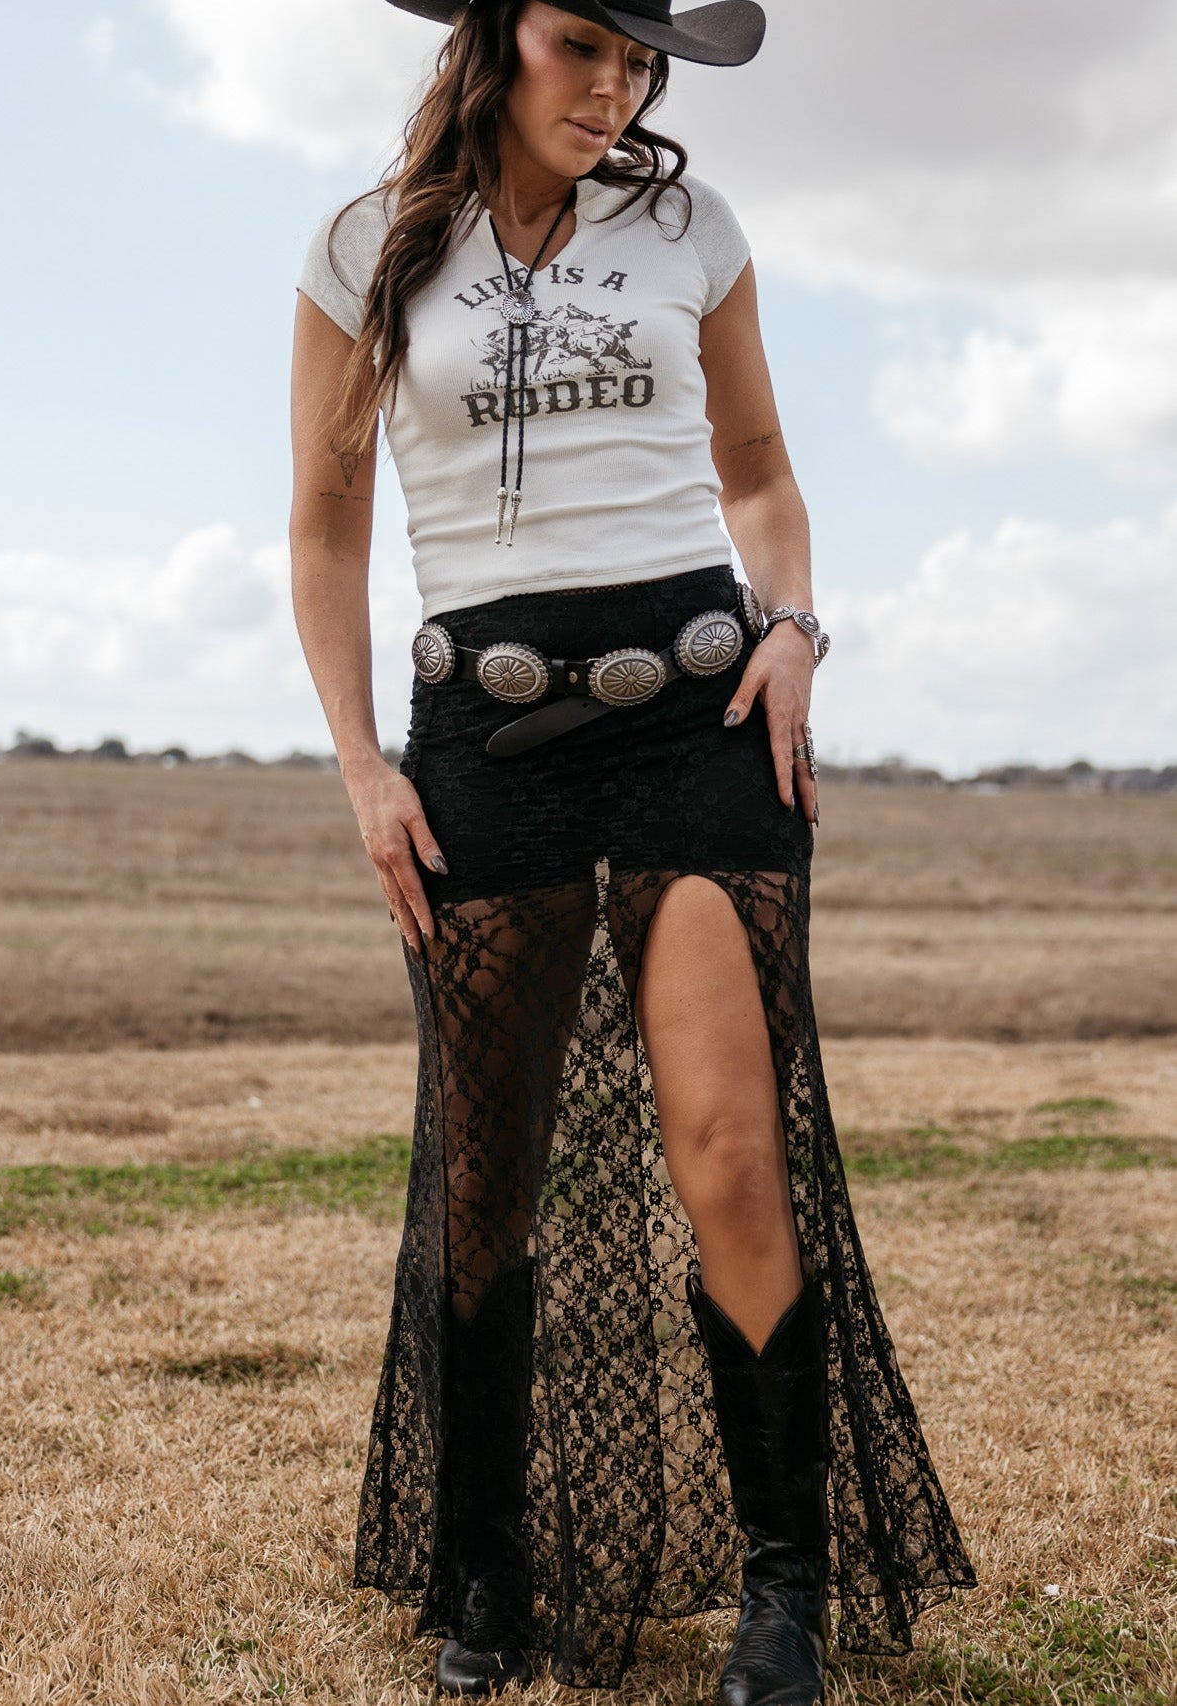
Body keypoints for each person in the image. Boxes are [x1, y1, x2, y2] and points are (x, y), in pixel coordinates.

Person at [290, 1, 977, 1698]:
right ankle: (487, 1576)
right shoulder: (363, 246)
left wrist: (796, 622)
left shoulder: (688, 226)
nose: (616, 87)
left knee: (733, 1154)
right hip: (482, 749)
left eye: (642, 62)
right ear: (495, 33)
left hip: (695, 725)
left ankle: (780, 1591)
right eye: (586, 42)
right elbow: (322, 516)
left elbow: (754, 469)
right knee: (483, 1182)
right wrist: (363, 763)